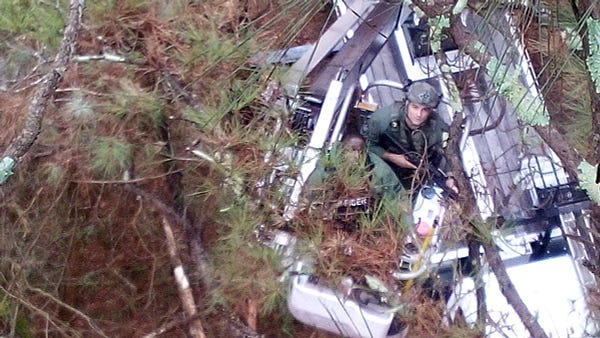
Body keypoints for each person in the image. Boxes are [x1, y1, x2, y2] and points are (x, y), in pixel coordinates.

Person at [361, 81, 458, 195]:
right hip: (381, 167)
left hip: (415, 176)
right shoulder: (383, 118)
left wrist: (450, 177)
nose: (418, 114)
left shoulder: (438, 128)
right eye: (415, 107)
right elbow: (366, 145)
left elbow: (450, 154)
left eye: (425, 110)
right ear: (407, 103)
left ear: (431, 111)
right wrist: (391, 157)